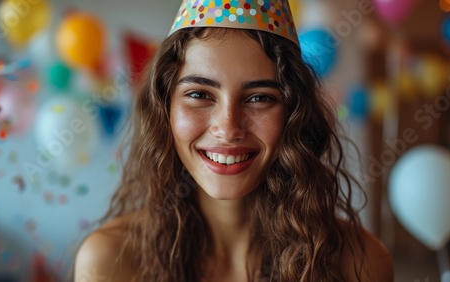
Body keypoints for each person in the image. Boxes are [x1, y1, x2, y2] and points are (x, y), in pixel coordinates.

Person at [75, 1, 394, 281]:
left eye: (258, 98)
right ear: (165, 109)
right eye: (199, 94)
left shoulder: (361, 264)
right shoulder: (109, 261)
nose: (228, 128)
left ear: (294, 113)